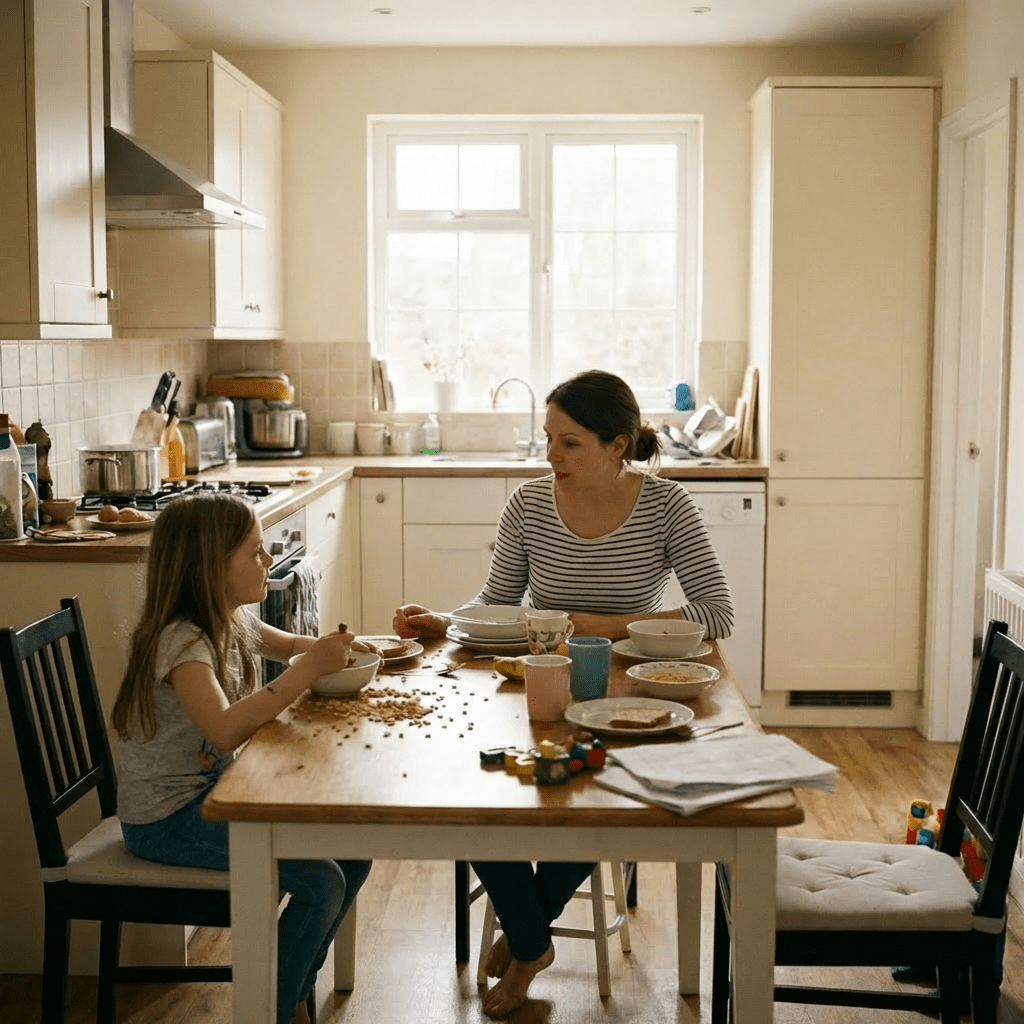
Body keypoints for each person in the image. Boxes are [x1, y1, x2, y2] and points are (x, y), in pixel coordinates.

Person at [394, 369, 734, 1016]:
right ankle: (532, 941)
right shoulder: (529, 503)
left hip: (629, 694)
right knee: (468, 791)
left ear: (618, 444)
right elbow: (497, 602)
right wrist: (444, 620)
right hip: (534, 687)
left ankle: (525, 949)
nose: (551, 457)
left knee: (597, 800)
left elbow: (715, 615)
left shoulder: (667, 506)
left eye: (570, 443)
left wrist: (588, 626)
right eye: (548, 439)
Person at [111, 491, 373, 1024]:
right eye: (255, 552)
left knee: (354, 850)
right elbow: (226, 728)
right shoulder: (181, 643)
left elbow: (288, 646)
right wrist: (308, 669)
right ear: (211, 567)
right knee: (322, 882)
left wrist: (332, 649)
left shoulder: (228, 618)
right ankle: (272, 1007)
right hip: (167, 820)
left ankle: (294, 988)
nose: (268, 561)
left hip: (213, 797)